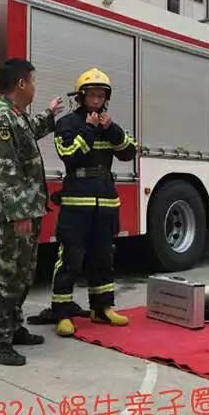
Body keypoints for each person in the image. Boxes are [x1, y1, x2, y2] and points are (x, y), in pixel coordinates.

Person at [0, 58, 63, 366]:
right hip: (9, 216)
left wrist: (50, 115)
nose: (35, 87)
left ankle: (13, 328)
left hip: (23, 209)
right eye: (33, 81)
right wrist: (19, 212)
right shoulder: (0, 118)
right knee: (3, 275)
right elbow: (5, 169)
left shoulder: (15, 116)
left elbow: (30, 131)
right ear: (21, 83)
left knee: (22, 273)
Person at [50, 68, 138, 337]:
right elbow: (69, 155)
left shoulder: (109, 125)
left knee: (103, 257)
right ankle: (62, 313)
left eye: (101, 96)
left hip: (105, 202)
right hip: (77, 203)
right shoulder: (67, 123)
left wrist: (111, 129)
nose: (97, 100)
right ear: (81, 97)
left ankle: (102, 308)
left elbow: (129, 152)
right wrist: (89, 128)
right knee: (70, 259)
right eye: (92, 95)